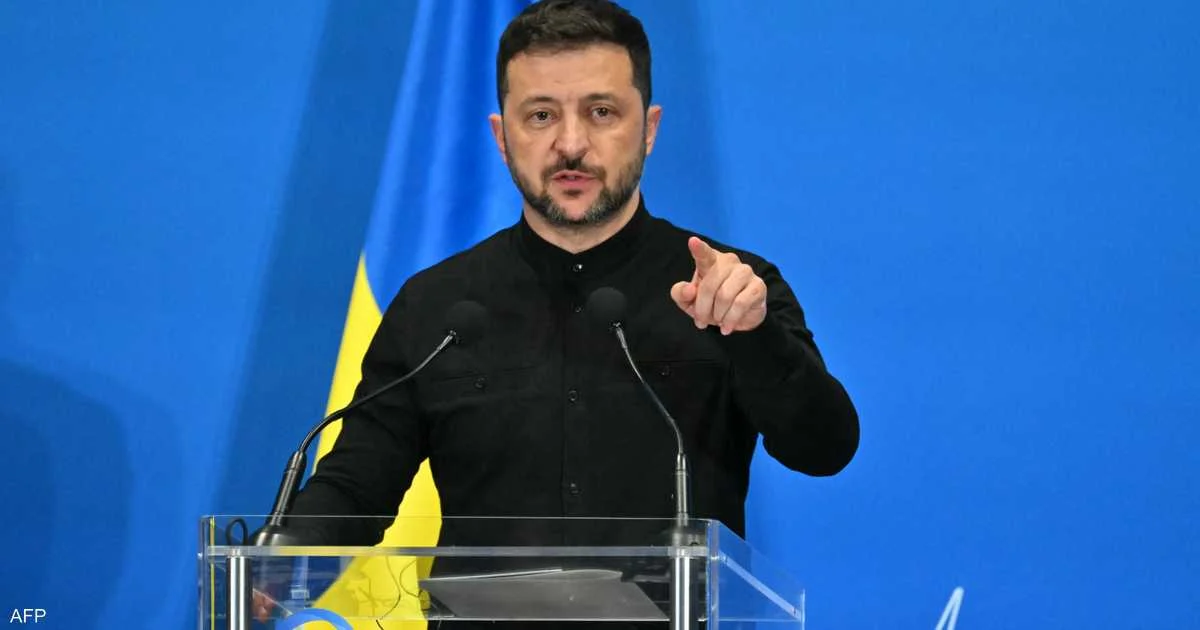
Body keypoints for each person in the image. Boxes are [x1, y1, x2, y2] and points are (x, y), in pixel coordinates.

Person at [286, 0, 857, 572]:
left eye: (601, 112)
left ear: (649, 129)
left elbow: (823, 448)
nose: (571, 144)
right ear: (501, 136)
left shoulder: (730, 288)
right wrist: (279, 559)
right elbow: (356, 485)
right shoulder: (435, 306)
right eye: (541, 116)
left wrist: (755, 336)